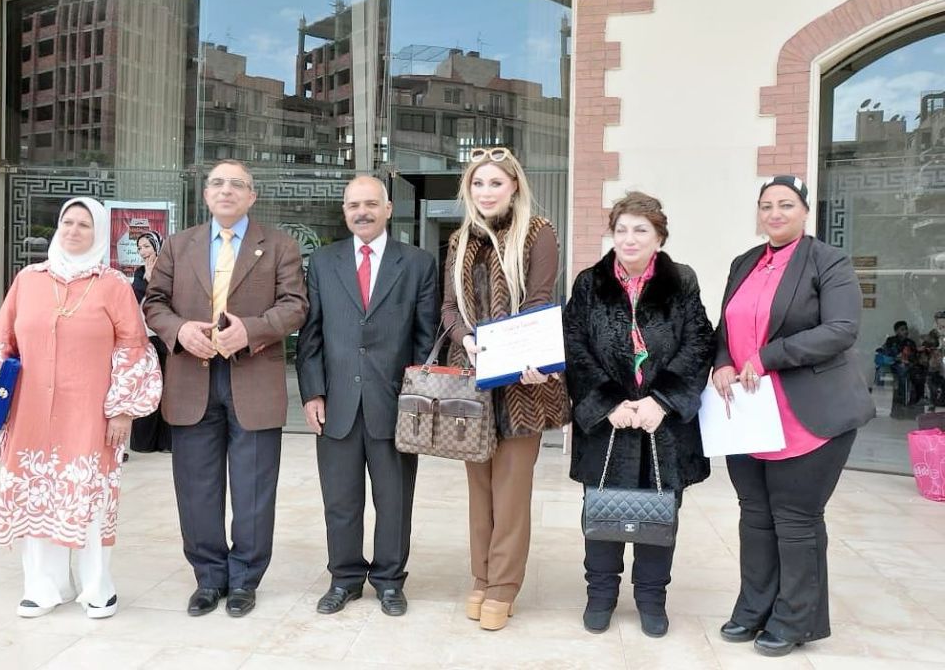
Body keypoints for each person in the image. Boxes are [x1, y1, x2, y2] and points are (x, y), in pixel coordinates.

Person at [0, 197, 162, 619]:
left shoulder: (113, 285)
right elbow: (1, 339)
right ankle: (44, 586)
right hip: (30, 412)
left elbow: (132, 348)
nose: (73, 230)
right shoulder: (29, 280)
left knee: (88, 498)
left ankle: (97, 587)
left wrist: (123, 408)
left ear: (98, 233)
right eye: (68, 222)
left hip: (90, 413)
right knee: (36, 494)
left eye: (84, 225)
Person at [712, 175, 875, 657]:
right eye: (766, 205)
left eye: (786, 204)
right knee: (754, 516)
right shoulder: (745, 262)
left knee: (796, 520)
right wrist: (722, 361)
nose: (775, 214)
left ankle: (794, 619)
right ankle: (753, 609)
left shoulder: (829, 260)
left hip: (808, 414)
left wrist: (767, 356)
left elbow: (841, 329)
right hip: (750, 415)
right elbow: (725, 326)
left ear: (805, 211)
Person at [143, 160, 308, 618]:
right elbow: (154, 303)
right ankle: (209, 578)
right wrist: (179, 331)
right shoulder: (178, 246)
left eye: (237, 184)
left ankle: (244, 580)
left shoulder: (279, 245)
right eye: (217, 183)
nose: (226, 190)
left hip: (253, 379)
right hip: (191, 380)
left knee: (254, 489)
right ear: (206, 194)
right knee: (197, 488)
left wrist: (250, 331)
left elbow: (295, 306)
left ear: (252, 196)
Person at [562, 191, 713, 638]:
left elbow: (699, 342)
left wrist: (661, 401)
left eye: (640, 230)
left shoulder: (681, 281)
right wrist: (608, 402)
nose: (629, 239)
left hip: (662, 426)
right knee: (602, 514)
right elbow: (574, 345)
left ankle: (651, 598)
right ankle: (600, 595)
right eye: (622, 229)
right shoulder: (589, 283)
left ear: (659, 237)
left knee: (660, 514)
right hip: (608, 424)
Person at [295, 176, 438, 617]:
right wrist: (312, 393)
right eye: (354, 205)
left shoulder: (417, 264)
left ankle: (390, 581)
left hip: (395, 405)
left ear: (388, 209)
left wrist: (416, 400)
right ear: (344, 211)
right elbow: (311, 335)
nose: (362, 212)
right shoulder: (323, 262)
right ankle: (344, 578)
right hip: (336, 404)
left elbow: (426, 338)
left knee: (394, 501)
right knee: (341, 501)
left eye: (371, 204)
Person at [441, 147, 570, 631]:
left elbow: (538, 300)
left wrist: (521, 355)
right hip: (473, 381)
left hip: (522, 384)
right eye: (478, 183)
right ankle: (481, 576)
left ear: (514, 186)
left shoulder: (538, 233)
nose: (486, 191)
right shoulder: (459, 241)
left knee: (511, 492)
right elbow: (449, 308)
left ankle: (503, 586)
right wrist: (465, 340)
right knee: (479, 491)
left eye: (495, 182)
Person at [130, 231, 171, 454]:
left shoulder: (170, 270)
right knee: (147, 387)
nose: (143, 251)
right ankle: (144, 442)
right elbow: (133, 299)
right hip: (145, 337)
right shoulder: (140, 272)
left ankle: (166, 442)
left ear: (157, 246)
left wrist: (155, 277)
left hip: (166, 336)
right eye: (140, 248)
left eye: (146, 246)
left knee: (168, 387)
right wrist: (146, 278)